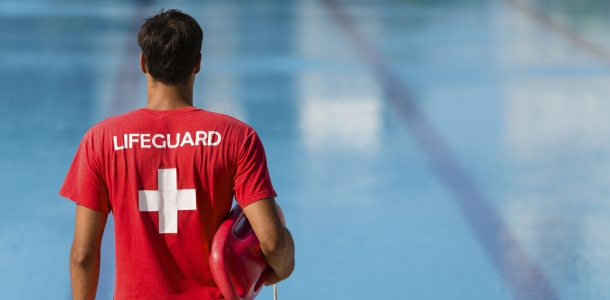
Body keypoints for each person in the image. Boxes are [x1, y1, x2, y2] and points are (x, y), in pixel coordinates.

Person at [60, 9, 295, 300]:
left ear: (143, 64)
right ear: (197, 64)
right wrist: (282, 266)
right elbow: (272, 243)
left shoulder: (101, 140)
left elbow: (82, 255)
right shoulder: (237, 137)